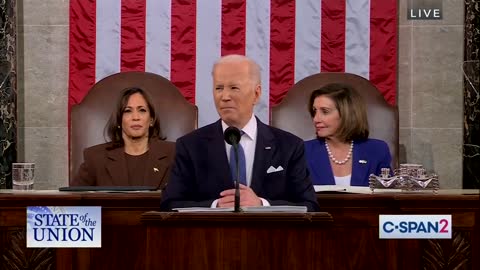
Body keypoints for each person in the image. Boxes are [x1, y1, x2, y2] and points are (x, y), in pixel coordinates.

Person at [160, 54, 319, 212]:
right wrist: (216, 206)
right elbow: (170, 204)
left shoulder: (289, 146)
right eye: (219, 88)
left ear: (256, 94)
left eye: (234, 88)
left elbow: (309, 206)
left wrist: (262, 205)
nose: (225, 97)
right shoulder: (190, 146)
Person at [72, 87, 175, 188]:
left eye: (142, 110)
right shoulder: (95, 158)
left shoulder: (174, 154)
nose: (135, 117)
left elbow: (188, 199)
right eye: (127, 111)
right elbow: (72, 202)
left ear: (151, 119)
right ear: (119, 120)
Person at [304, 83, 392, 186]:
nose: (316, 119)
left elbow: (388, 195)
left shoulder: (377, 150)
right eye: (314, 111)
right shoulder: (302, 151)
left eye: (325, 111)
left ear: (347, 114)